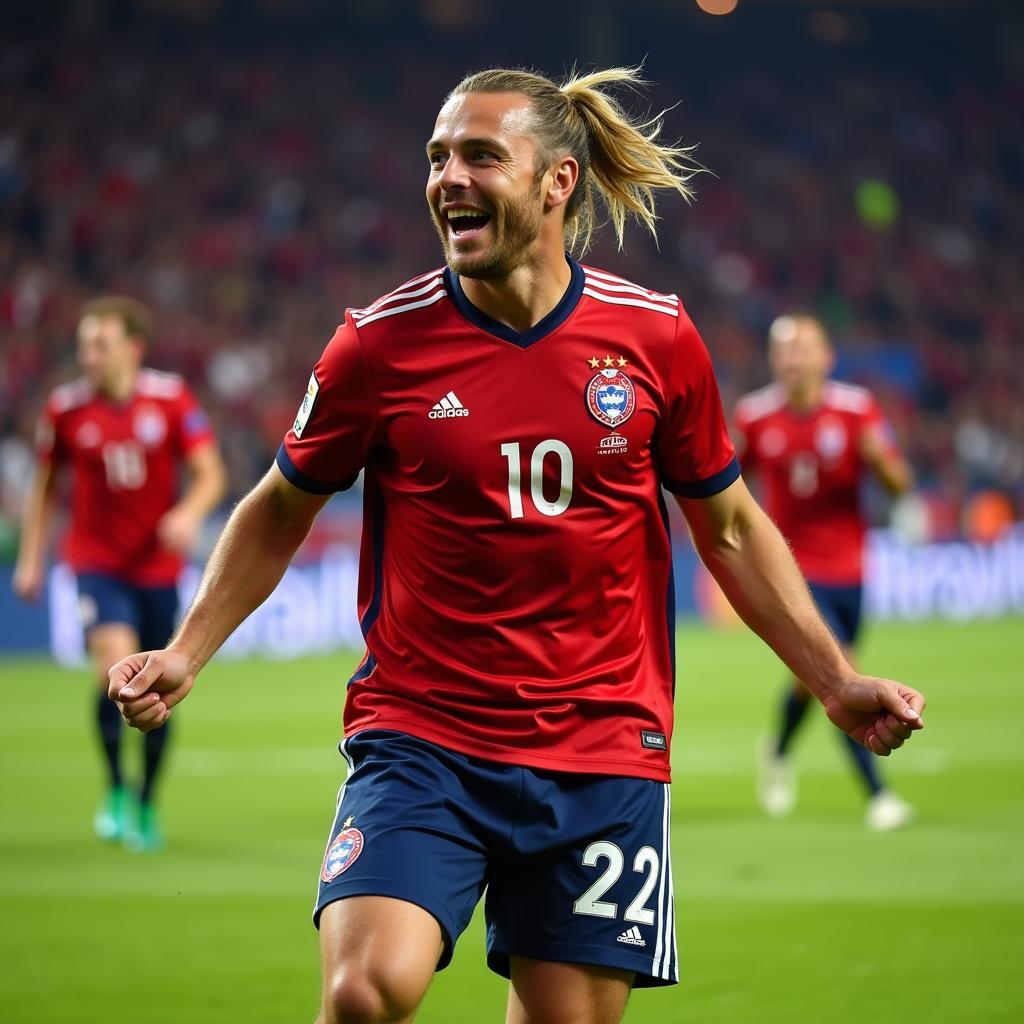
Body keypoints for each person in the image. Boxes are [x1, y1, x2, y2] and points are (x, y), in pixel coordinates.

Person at [109, 68, 924, 1023]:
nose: (448, 177)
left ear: (557, 182)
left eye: (481, 155)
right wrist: (187, 650)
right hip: (424, 737)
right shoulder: (376, 346)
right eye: (438, 158)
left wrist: (834, 680)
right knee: (366, 990)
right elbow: (279, 508)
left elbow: (732, 528)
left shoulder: (655, 338)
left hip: (606, 748)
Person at [14, 296, 226, 850]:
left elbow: (210, 474)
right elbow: (44, 488)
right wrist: (32, 557)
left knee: (158, 683)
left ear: (132, 348)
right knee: (115, 671)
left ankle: (147, 803)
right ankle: (113, 788)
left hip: (156, 566)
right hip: (96, 563)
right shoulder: (65, 410)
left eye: (100, 344)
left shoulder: (171, 398)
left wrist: (186, 513)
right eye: (84, 344)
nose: (88, 354)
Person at [734, 313, 916, 830]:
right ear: (774, 361)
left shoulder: (856, 411)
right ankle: (879, 796)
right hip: (791, 568)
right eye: (785, 351)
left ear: (825, 357)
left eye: (803, 349)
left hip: (851, 568)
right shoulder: (755, 417)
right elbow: (726, 485)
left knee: (808, 682)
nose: (794, 360)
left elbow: (901, 485)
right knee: (845, 671)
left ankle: (779, 749)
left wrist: (880, 463)